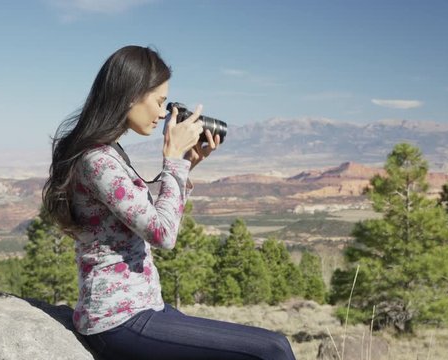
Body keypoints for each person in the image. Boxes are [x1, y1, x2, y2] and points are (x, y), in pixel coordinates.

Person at [43, 45, 296, 360]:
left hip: (142, 308)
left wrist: (185, 164)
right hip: (117, 319)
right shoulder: (97, 160)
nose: (163, 114)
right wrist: (172, 160)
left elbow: (150, 214)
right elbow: (163, 235)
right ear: (131, 95)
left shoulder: (109, 153)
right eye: (160, 102)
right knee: (273, 350)